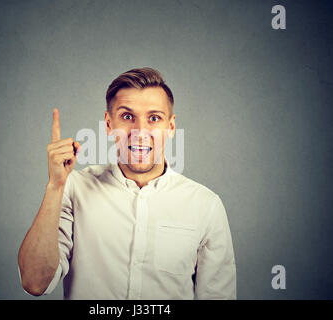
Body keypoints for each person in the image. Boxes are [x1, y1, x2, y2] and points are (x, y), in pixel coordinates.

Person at [18, 67, 236, 299]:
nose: (140, 131)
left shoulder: (205, 205)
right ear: (109, 124)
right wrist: (55, 186)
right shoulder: (74, 189)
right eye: (127, 117)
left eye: (154, 118)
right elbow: (34, 283)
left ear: (170, 127)